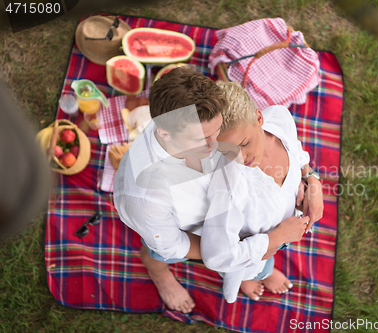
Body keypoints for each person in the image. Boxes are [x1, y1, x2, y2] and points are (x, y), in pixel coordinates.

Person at [113, 67, 311, 313]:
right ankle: (159, 274)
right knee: (159, 253)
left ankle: (250, 272)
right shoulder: (144, 197)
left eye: (217, 132)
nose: (217, 146)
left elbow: (252, 125)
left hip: (227, 226)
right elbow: (174, 244)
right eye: (201, 139)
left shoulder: (209, 128)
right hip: (185, 234)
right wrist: (240, 251)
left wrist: (308, 177)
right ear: (164, 132)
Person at [201, 81, 324, 303]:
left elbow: (296, 151)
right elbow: (217, 256)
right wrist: (276, 238)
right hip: (253, 252)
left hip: (282, 231)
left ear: (259, 118)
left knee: (268, 260)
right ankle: (253, 277)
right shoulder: (229, 187)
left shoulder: (279, 118)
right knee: (258, 268)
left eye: (244, 143)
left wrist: (311, 179)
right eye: (227, 151)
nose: (240, 158)